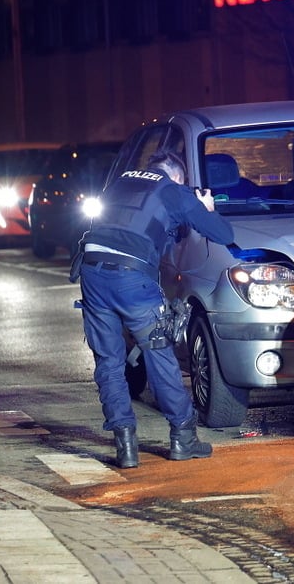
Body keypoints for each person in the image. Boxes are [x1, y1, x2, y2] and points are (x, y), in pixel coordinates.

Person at [72, 151, 235, 468]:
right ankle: (183, 437)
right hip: (132, 279)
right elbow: (223, 234)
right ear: (177, 176)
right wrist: (206, 207)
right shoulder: (173, 190)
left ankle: (125, 447)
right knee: (158, 354)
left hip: (92, 273)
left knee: (109, 361)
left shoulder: (119, 183)